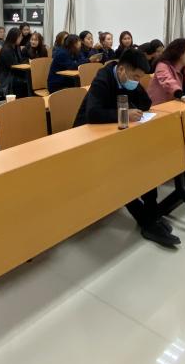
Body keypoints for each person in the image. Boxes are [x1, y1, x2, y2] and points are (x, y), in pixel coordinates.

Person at [74, 50, 178, 248]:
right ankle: (147, 221)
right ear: (121, 69)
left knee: (145, 161)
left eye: (140, 78)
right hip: (86, 138)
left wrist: (134, 90)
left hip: (113, 133)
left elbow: (146, 103)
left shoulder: (128, 80)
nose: (136, 81)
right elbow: (93, 114)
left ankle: (151, 215)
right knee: (122, 170)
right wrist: (124, 113)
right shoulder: (103, 78)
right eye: (135, 77)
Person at [0, 27, 30, 98]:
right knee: (24, 81)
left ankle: (28, 100)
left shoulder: (16, 47)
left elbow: (20, 61)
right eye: (20, 36)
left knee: (30, 77)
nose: (21, 38)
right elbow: (12, 66)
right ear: (14, 37)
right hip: (7, 76)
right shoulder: (6, 50)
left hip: (15, 73)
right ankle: (22, 101)